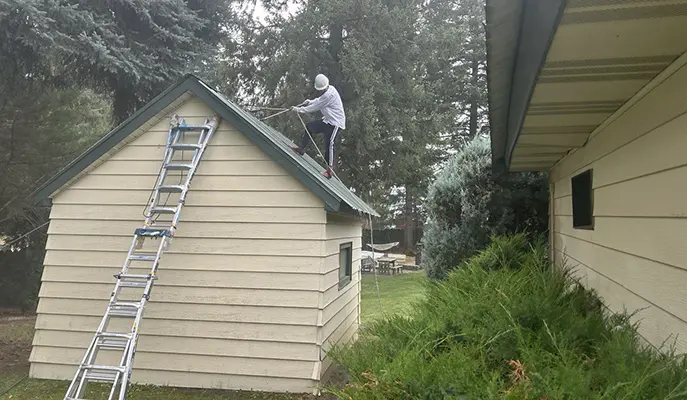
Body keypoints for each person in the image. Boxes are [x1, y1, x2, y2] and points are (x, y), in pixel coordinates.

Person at [290, 74, 345, 179]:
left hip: (335, 124)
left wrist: (298, 109)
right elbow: (319, 100)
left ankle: (330, 171)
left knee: (329, 144)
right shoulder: (328, 91)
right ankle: (302, 149)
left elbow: (315, 107)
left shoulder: (329, 95)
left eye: (321, 90)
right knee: (309, 127)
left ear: (325, 87)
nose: (320, 91)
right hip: (327, 121)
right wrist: (309, 101)